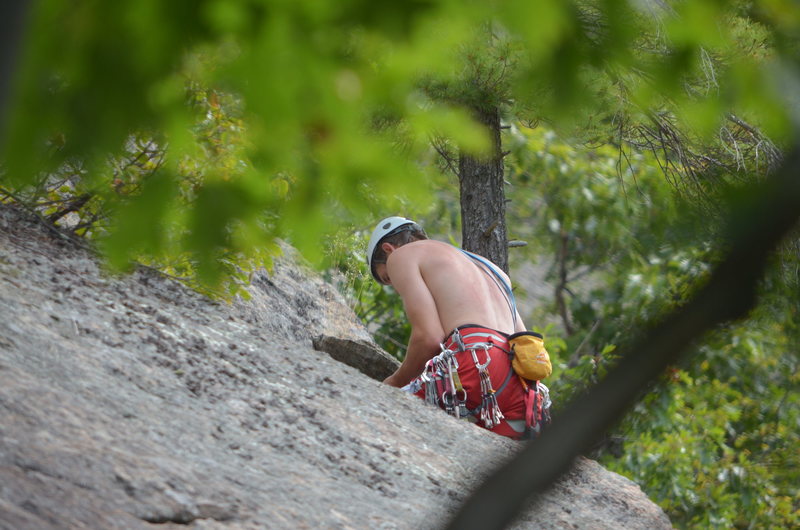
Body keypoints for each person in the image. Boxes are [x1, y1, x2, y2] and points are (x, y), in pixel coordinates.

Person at [366, 216, 550, 439]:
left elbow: (429, 338)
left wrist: (394, 383)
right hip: (523, 385)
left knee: (377, 420)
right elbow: (522, 338)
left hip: (473, 363)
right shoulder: (492, 269)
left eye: (388, 278)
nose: (395, 285)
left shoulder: (402, 256)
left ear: (388, 249)